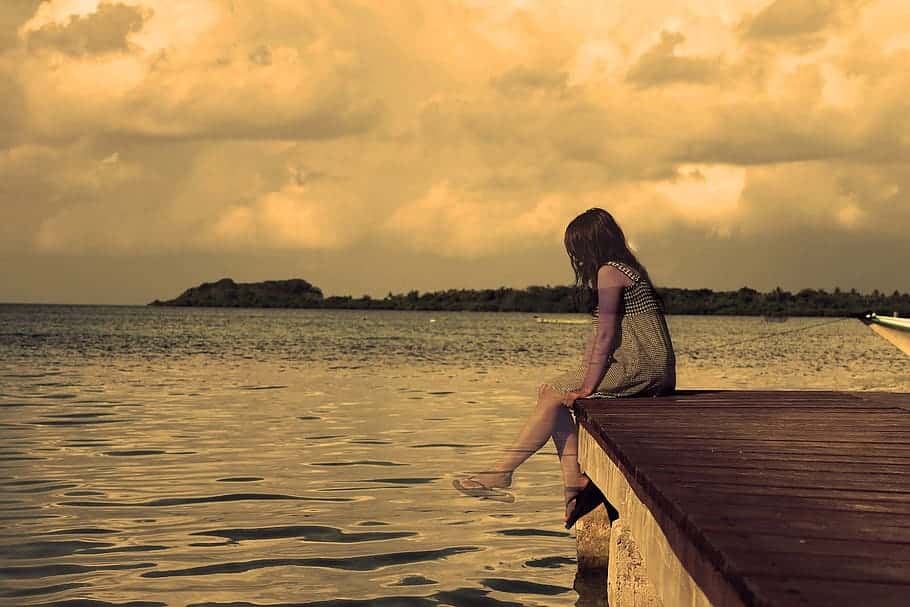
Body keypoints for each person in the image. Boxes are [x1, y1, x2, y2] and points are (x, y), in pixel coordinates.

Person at [453, 207, 676, 529]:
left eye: (576, 249)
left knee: (554, 396)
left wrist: (587, 388)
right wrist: (584, 376)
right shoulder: (622, 268)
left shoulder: (609, 271)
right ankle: (572, 481)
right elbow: (600, 336)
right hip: (644, 364)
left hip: (643, 366)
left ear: (590, 245)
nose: (575, 256)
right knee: (550, 392)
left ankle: (503, 472)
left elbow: (605, 334)